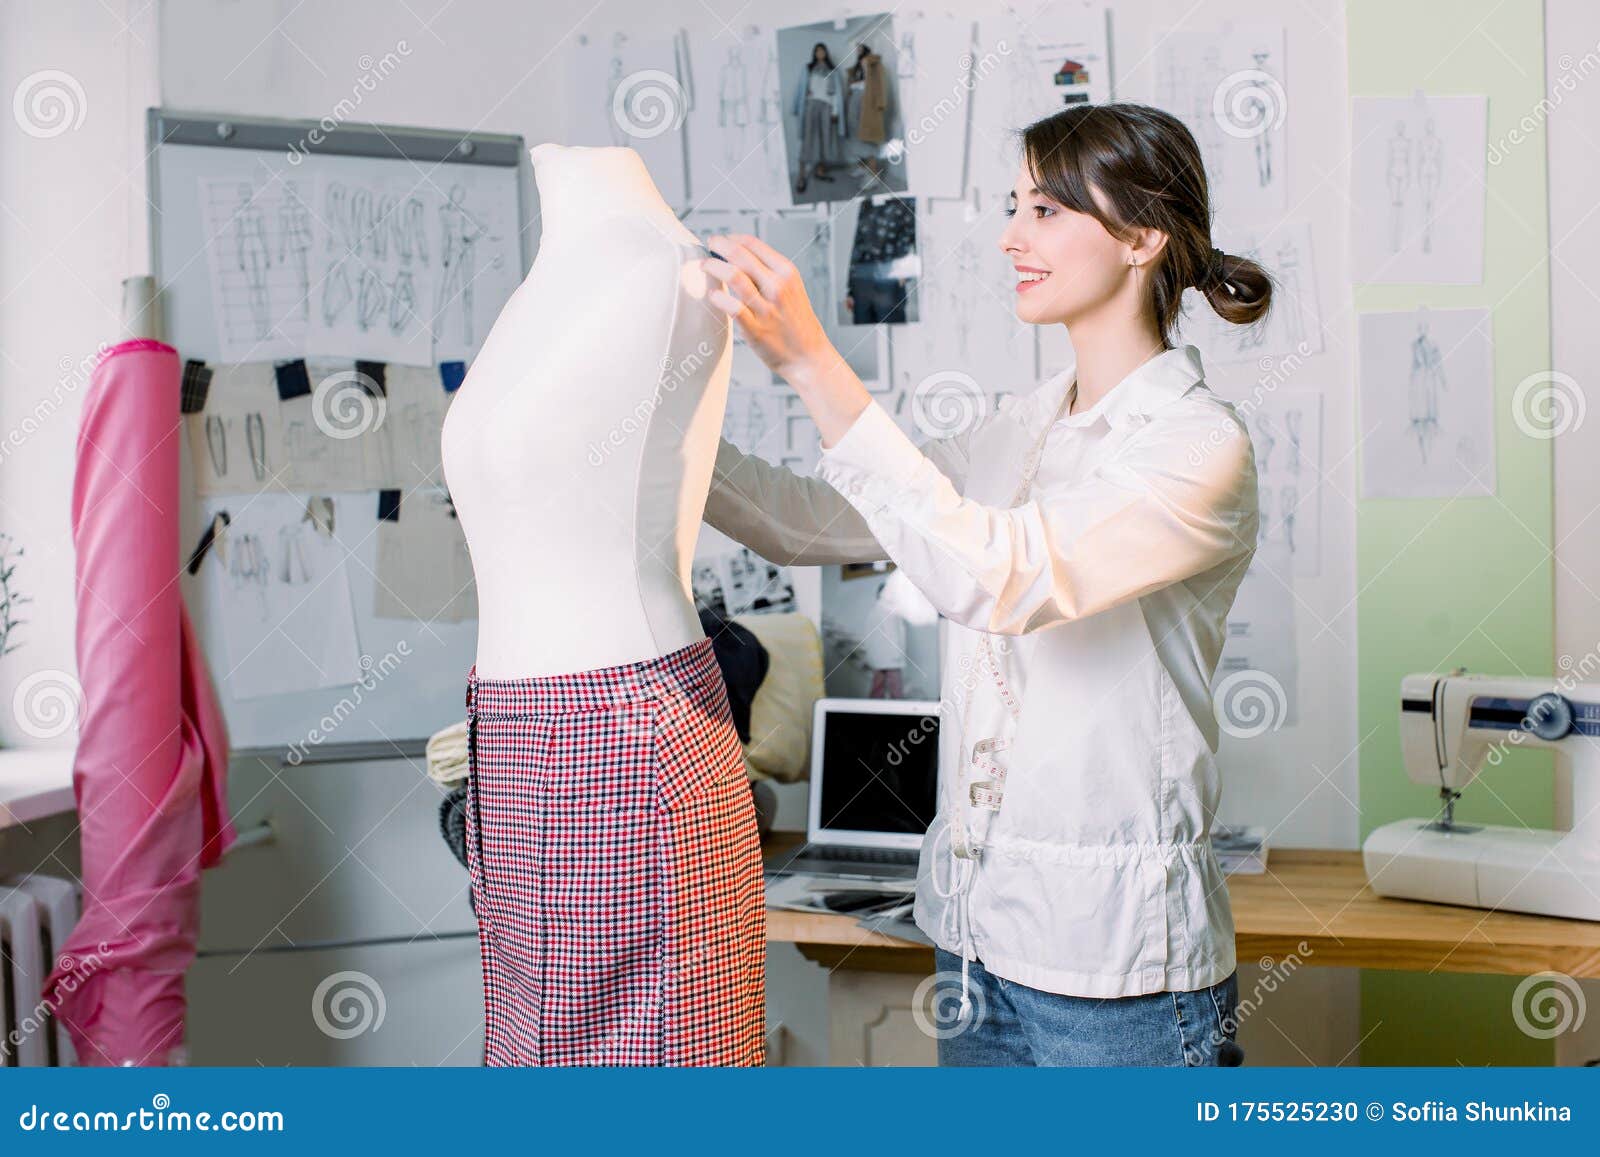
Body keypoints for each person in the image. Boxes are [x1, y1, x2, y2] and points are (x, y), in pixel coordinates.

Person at [699, 102, 1271, 1066]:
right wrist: (661, 441)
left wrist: (811, 361)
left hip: (1117, 972)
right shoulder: (1016, 429)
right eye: (1014, 208)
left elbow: (1002, 577)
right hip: (972, 942)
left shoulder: (1199, 446)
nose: (1011, 237)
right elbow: (815, 520)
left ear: (1142, 236)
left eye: (1045, 211)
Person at [792, 42, 842, 195]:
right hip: (811, 105)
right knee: (808, 139)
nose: (820, 53)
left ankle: (820, 171)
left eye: (822, 51)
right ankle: (801, 176)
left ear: (826, 53)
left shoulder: (832, 71)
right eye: (817, 51)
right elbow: (801, 87)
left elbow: (835, 94)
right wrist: (805, 95)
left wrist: (835, 111)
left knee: (825, 138)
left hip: (826, 106)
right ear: (814, 53)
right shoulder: (808, 68)